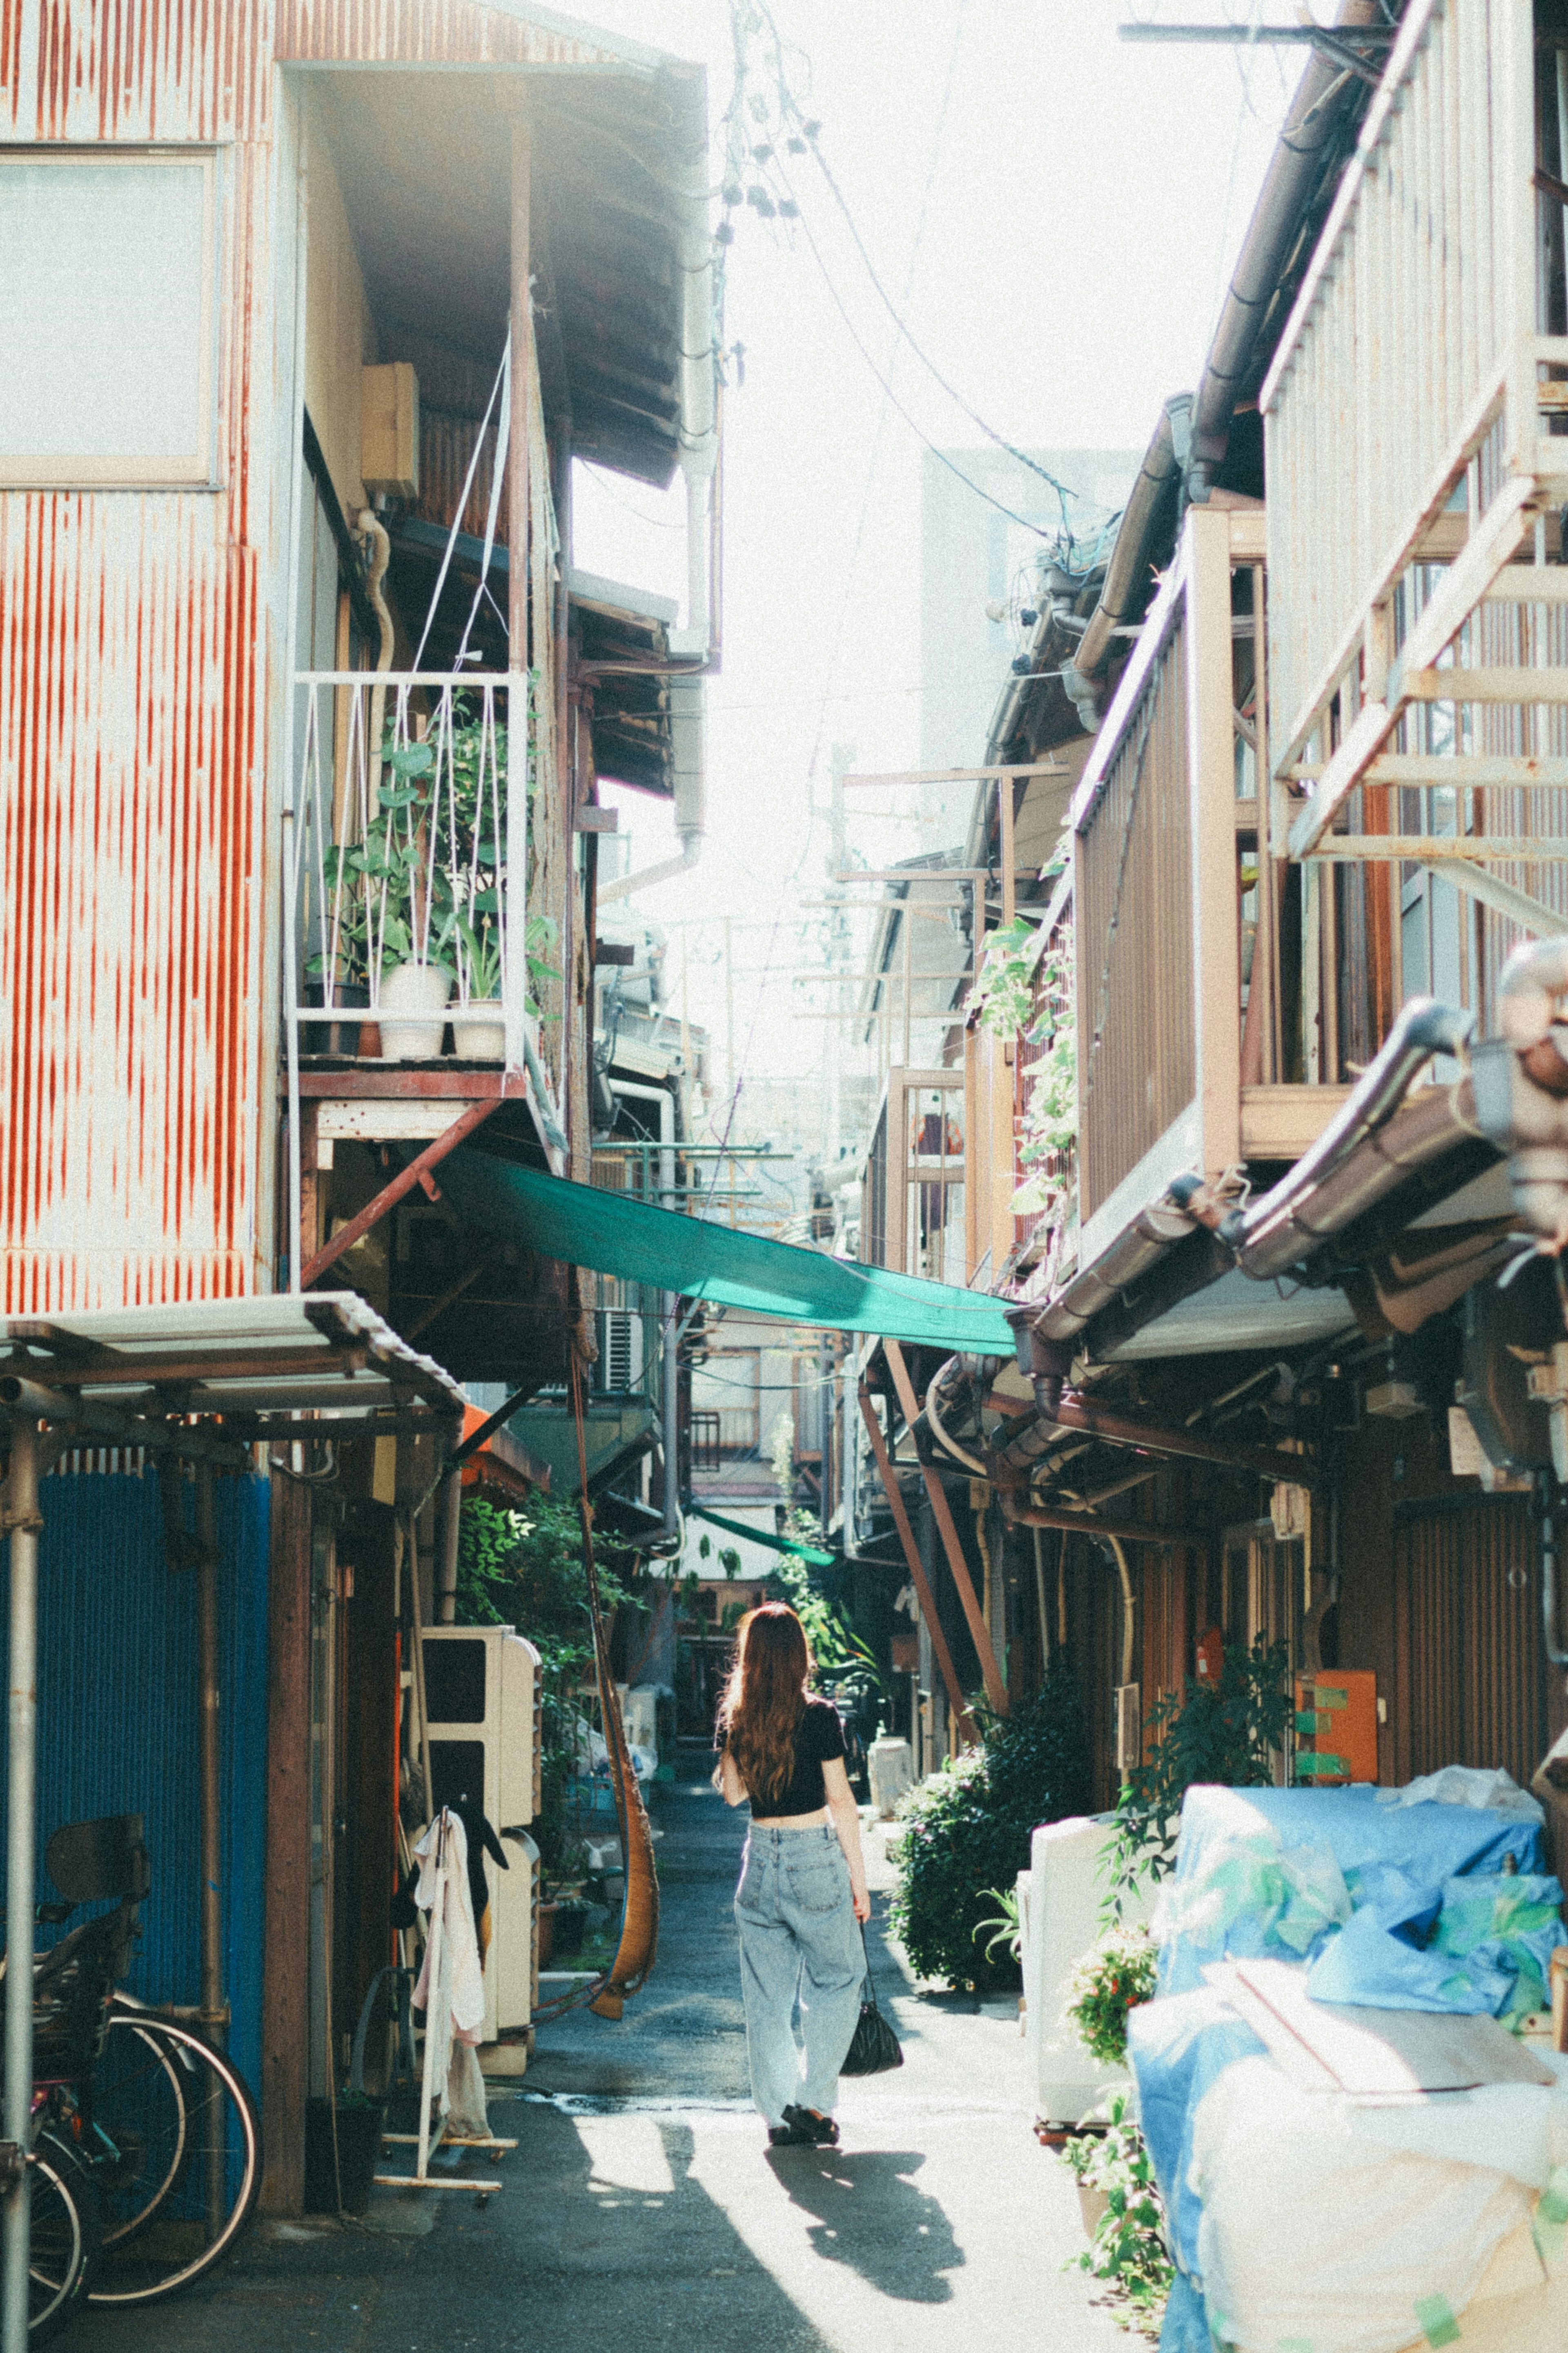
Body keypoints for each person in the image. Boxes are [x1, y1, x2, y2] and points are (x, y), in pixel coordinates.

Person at [713, 1602, 871, 2150]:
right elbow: (842, 1800)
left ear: (751, 1658)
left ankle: (780, 2119)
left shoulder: (737, 1718)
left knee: (766, 1999)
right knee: (839, 1978)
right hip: (813, 1857)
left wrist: (732, 1743)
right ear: (799, 1656)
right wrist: (859, 1878)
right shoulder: (821, 1715)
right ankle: (812, 2102)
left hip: (759, 1858)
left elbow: (733, 1793)